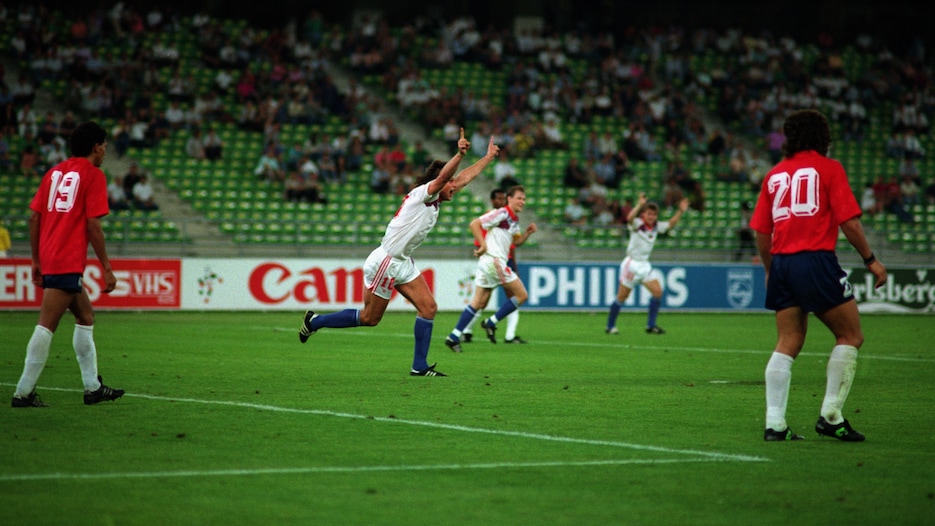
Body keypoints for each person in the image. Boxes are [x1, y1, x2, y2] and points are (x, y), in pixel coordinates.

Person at [298, 128, 500, 376]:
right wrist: (458, 155)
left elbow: (463, 178)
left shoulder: (435, 197)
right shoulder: (424, 194)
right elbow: (445, 178)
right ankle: (315, 321)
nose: (455, 187)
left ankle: (419, 366)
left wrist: (489, 157)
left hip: (403, 262)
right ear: (440, 182)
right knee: (371, 318)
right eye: (450, 183)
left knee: (428, 308)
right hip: (387, 261)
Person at [750, 109, 887, 442]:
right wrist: (870, 260)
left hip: (782, 263)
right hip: (814, 259)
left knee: (788, 341)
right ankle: (831, 415)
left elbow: (761, 232)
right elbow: (850, 222)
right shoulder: (829, 168)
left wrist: (770, 270)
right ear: (823, 137)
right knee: (850, 336)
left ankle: (775, 425)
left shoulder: (775, 174)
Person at [11, 121, 125, 408]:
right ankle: (22, 392)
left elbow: (34, 218)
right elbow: (93, 225)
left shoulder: (54, 172)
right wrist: (107, 268)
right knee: (46, 324)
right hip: (67, 258)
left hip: (51, 256)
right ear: (96, 146)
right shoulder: (93, 175)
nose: (105, 151)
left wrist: (36, 259)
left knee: (86, 317)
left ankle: (92, 388)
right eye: (105, 145)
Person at [445, 185, 537, 352]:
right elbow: (474, 224)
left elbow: (514, 243)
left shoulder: (514, 220)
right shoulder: (502, 213)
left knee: (478, 303)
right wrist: (484, 244)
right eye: (519, 198)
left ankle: (453, 336)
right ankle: (491, 322)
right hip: (495, 262)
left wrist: (527, 234)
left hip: (489, 263)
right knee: (522, 295)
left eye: (524, 199)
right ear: (509, 198)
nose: (522, 201)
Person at [605, 193, 690, 335]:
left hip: (644, 265)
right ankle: (610, 326)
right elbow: (629, 218)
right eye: (649, 214)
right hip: (631, 264)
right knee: (622, 297)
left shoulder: (656, 227)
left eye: (654, 215)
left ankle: (651, 325)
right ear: (644, 214)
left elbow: (670, 224)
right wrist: (639, 204)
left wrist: (680, 211)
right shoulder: (638, 224)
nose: (652, 217)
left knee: (658, 292)